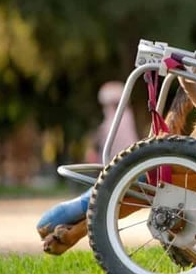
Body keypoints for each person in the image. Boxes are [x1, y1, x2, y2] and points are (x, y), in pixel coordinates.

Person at [37, 82, 139, 238]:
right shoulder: (124, 117)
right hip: (120, 164)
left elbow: (108, 137)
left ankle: (73, 218)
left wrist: (93, 142)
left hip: (120, 167)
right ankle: (74, 220)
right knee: (97, 193)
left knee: (97, 196)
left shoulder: (119, 118)